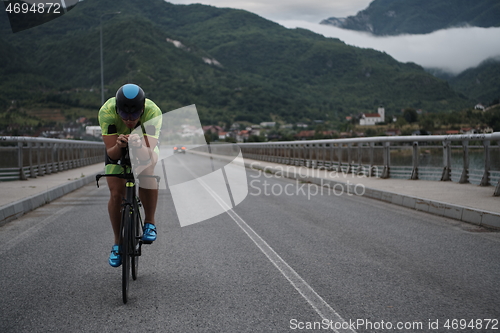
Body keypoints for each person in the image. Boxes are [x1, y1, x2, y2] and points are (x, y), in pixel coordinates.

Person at [98, 83, 162, 267]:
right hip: (116, 147)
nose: (129, 120)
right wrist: (119, 145)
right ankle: (117, 243)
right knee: (116, 193)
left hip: (144, 147)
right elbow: (112, 154)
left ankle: (150, 222)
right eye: (124, 115)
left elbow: (147, 153)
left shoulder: (153, 112)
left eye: (134, 115)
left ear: (142, 110)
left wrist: (138, 145)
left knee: (147, 172)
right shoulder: (107, 112)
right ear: (117, 109)